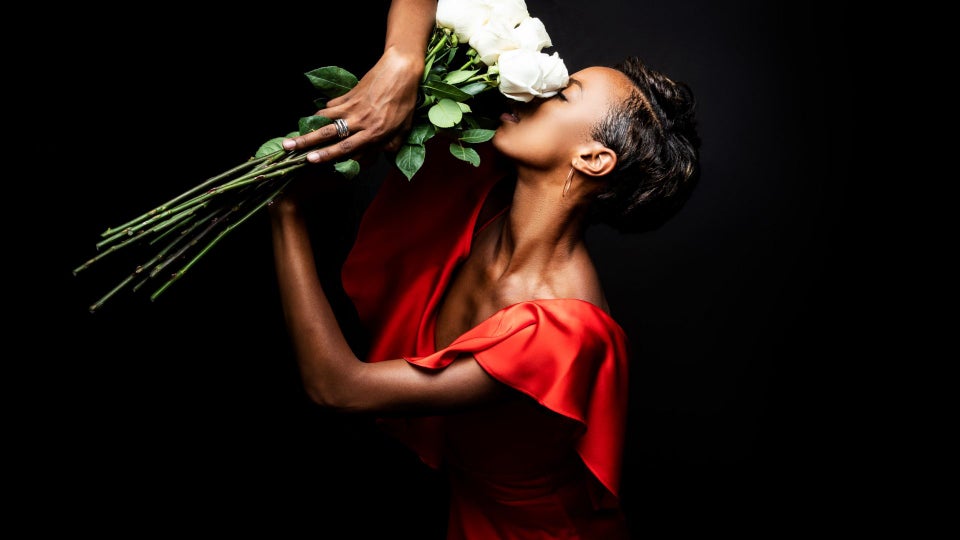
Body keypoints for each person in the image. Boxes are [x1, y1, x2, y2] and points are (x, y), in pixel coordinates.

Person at [270, 1, 701, 538]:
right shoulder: (483, 189)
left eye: (563, 95)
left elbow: (338, 388)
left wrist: (286, 213)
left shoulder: (560, 334)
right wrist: (404, 63)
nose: (537, 93)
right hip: (462, 507)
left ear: (592, 159)